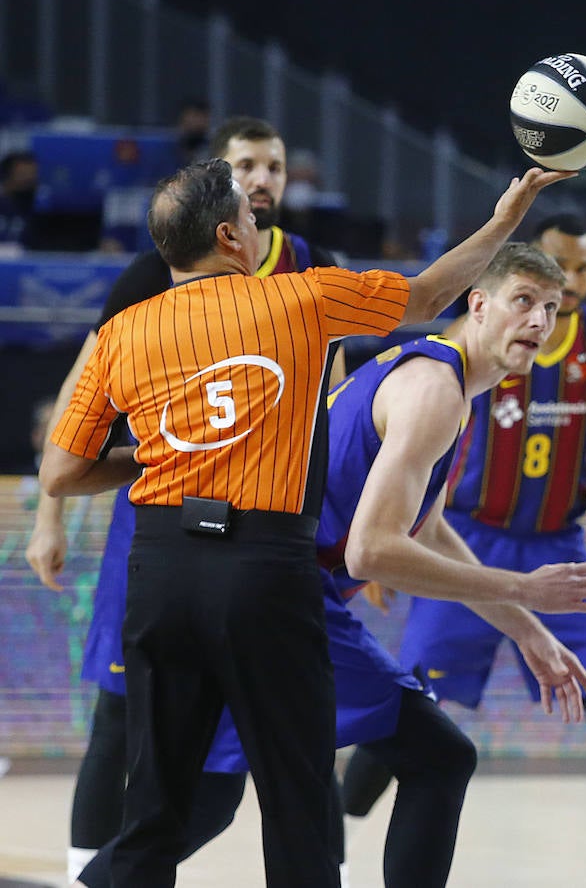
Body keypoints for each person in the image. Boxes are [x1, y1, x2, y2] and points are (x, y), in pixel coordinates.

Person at [39, 157, 568, 887]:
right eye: (252, 218)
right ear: (229, 237)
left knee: (161, 814)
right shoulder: (300, 300)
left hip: (159, 572)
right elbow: (427, 293)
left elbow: (61, 473)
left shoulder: (122, 332)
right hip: (262, 572)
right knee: (297, 806)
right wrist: (504, 221)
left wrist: (163, 456)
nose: (262, 223)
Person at [341, 213, 586, 888]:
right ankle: (335, 856)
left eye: (576, 278)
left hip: (550, 542)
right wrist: (391, 545)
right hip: (470, 542)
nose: (563, 294)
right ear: (485, 297)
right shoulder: (446, 377)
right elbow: (374, 540)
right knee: (400, 721)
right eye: (538, 288)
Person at [24, 115, 348, 885]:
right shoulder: (158, 271)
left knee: (262, 761)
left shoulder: (312, 269)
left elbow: (335, 401)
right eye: (247, 166)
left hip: (268, 533)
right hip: (166, 525)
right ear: (222, 198)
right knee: (122, 715)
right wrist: (50, 512)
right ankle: (89, 876)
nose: (264, 178)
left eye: (274, 164)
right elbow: (83, 387)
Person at [0, 149, 39, 247]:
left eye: (32, 175)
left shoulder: (39, 212)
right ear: (6, 177)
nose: (29, 180)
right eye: (22, 175)